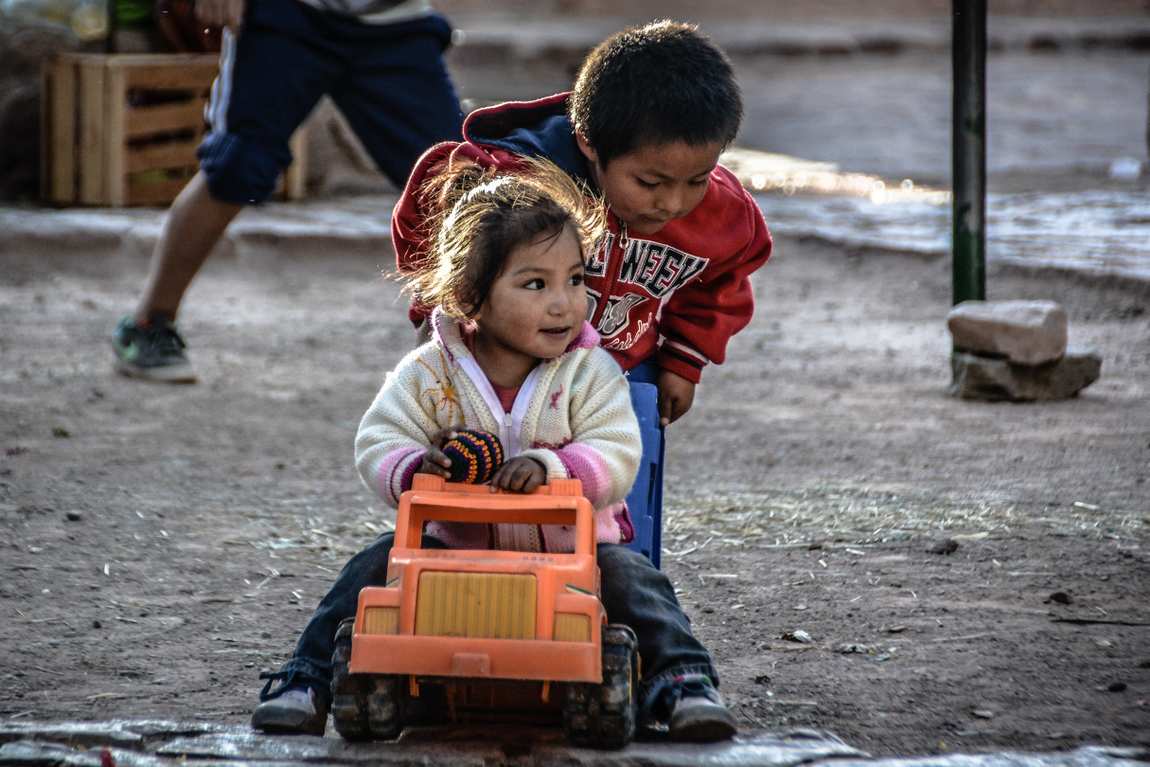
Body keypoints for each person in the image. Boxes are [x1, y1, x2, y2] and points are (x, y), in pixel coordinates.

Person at [250, 160, 738, 742]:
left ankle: (684, 682)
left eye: (576, 280)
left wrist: (552, 467)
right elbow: (379, 438)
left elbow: (616, 451)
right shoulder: (431, 374)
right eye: (536, 284)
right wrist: (411, 467)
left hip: (573, 557)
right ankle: (306, 681)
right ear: (470, 297)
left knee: (635, 580)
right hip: (453, 550)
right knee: (372, 566)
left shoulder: (589, 373)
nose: (564, 304)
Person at [394, 19, 772, 428]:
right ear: (588, 142)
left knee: (613, 483)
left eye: (697, 179)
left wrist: (684, 359)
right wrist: (440, 315)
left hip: (622, 376)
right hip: (502, 371)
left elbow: (723, 278)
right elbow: (438, 207)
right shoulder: (523, 189)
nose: (673, 203)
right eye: (649, 182)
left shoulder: (724, 213)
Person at [111, 0, 463, 383]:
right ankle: (150, 323)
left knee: (454, 181)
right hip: (286, 13)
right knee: (236, 163)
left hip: (393, 21)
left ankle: (461, 353)